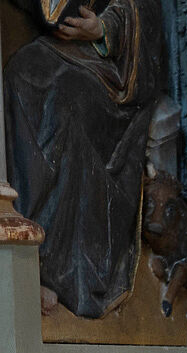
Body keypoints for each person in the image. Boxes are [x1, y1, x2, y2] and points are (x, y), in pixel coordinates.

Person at [5, 0, 169, 317]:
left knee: (66, 101)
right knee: (20, 72)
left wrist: (104, 29)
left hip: (112, 69)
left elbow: (140, 8)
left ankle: (55, 263)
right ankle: (20, 231)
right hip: (62, 48)